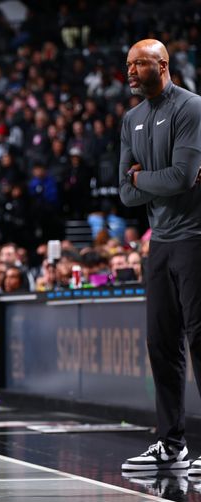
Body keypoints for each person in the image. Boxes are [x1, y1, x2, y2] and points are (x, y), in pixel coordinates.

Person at [118, 39, 201, 474]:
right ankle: (171, 444)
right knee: (161, 344)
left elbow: (183, 178)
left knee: (200, 339)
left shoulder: (191, 108)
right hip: (160, 242)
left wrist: (143, 176)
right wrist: (154, 179)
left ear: (162, 64)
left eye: (139, 63)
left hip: (195, 238)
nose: (130, 71)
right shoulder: (131, 118)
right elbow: (125, 192)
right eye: (128, 64)